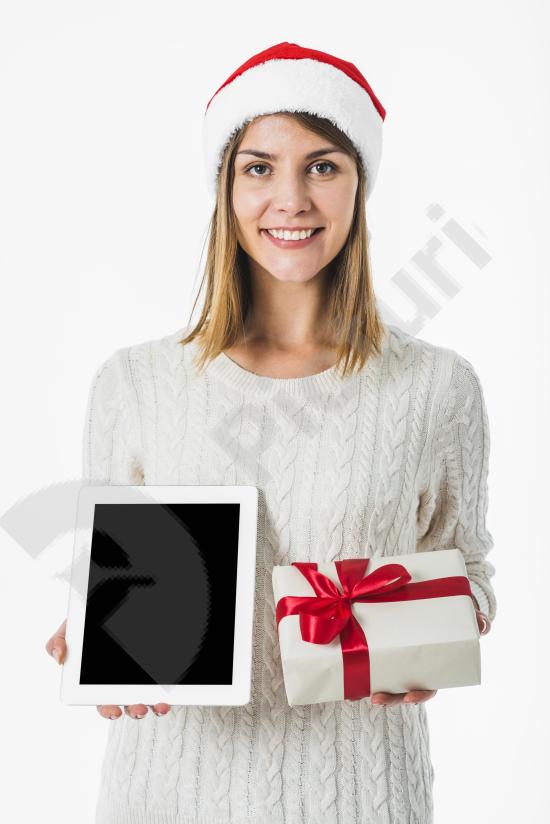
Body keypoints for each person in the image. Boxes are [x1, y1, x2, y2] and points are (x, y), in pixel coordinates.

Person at [45, 41, 495, 824]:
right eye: (258, 167)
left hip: (361, 795)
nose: (290, 199)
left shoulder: (438, 387)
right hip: (167, 796)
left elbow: (474, 568)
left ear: (360, 185)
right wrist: (96, 630)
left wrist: (447, 626)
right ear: (226, 189)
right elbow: (117, 578)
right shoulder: (136, 384)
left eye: (323, 166)